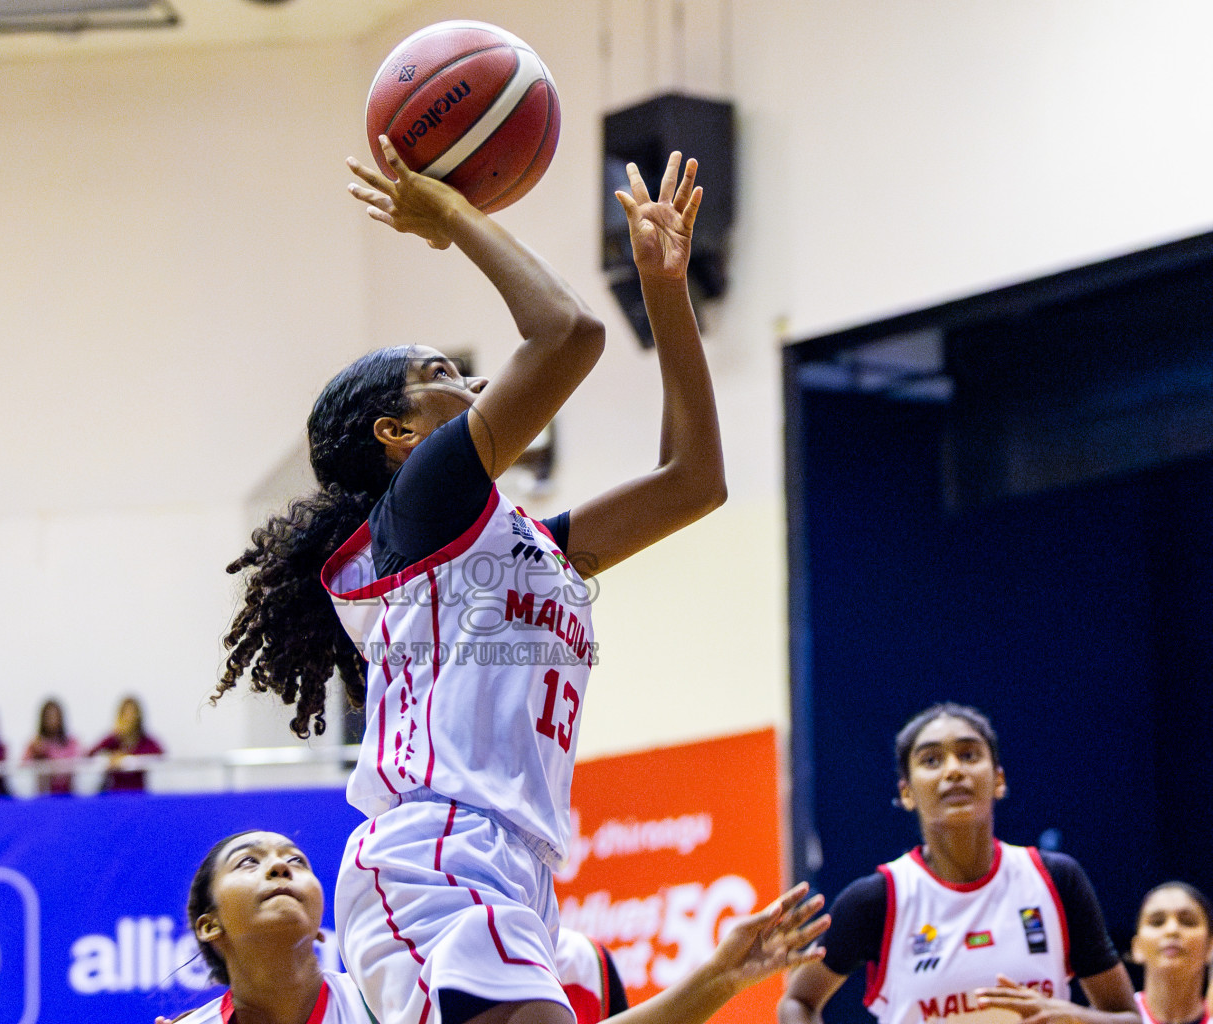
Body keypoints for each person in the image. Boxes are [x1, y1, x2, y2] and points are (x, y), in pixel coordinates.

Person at [217, 135, 726, 1024]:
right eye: (444, 376)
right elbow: (568, 333)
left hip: (514, 863)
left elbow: (693, 482)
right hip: (436, 852)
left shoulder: (503, 540)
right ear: (396, 435)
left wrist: (667, 290)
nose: (481, 382)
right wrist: (450, 211)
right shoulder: (420, 506)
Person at [155, 830, 828, 1024]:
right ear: (209, 925)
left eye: (296, 862)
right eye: (253, 863)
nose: (281, 869)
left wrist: (717, 978)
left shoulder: (383, 998)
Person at [778, 702, 1138, 1024]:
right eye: (931, 760)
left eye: (968, 755)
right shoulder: (878, 899)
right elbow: (797, 1000)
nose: (952, 770)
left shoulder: (1055, 879)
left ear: (998, 779)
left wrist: (1075, 1017)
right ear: (907, 792)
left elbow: (1127, 1018)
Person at [1130, 882, 1213, 1024]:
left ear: (1210, 946)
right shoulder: (1109, 1017)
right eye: (1157, 922)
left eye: (1188, 922)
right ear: (1137, 947)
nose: (1172, 930)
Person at [90, 695, 164, 793]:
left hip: (139, 794)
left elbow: (160, 753)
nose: (129, 717)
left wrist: (127, 758)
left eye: (133, 712)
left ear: (139, 715)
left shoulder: (145, 740)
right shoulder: (113, 739)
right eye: (126, 713)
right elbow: (90, 753)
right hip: (115, 795)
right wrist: (108, 757)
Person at [23, 697, 81, 796]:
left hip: (68, 796)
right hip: (43, 797)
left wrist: (49, 753)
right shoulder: (35, 743)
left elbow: (77, 762)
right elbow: (23, 764)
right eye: (48, 716)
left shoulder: (71, 742)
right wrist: (36, 752)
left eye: (55, 715)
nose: (52, 719)